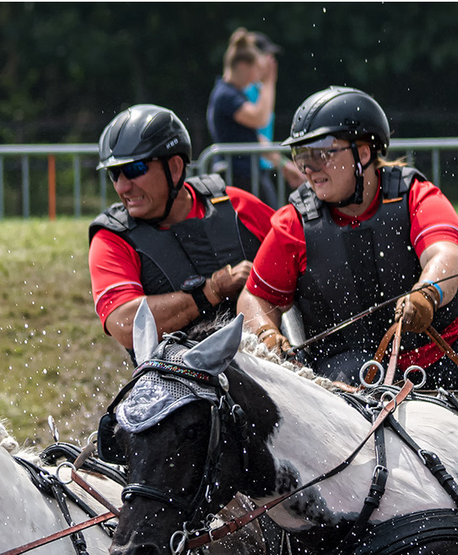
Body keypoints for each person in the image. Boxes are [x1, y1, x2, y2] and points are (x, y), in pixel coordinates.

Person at [239, 86, 458, 389]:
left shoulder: (418, 196)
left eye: (322, 154)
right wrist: (266, 332)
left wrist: (427, 295)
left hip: (448, 349)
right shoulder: (292, 223)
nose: (309, 168)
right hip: (350, 366)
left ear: (362, 153)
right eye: (302, 156)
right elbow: (255, 296)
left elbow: (445, 254)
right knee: (352, 394)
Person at [88, 104, 275, 350]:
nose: (122, 187)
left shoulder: (236, 204)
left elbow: (301, 257)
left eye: (134, 170)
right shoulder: (111, 239)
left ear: (174, 168)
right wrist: (212, 290)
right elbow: (127, 325)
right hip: (175, 379)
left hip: (268, 361)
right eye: (114, 174)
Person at [206, 29, 275, 199]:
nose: (257, 77)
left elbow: (254, 138)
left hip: (246, 176)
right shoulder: (226, 95)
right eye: (257, 69)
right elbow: (260, 119)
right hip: (239, 178)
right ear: (243, 65)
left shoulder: (234, 94)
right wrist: (268, 83)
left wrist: (285, 166)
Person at [243, 32, 304, 203]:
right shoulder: (246, 91)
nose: (272, 61)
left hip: (260, 170)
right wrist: (284, 165)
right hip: (249, 172)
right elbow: (257, 134)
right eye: (266, 55)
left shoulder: (259, 89)